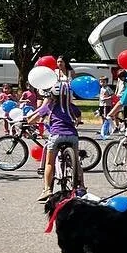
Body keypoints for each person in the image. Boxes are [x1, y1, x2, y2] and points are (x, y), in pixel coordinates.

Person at [31, 73, 84, 201]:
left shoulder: (50, 106)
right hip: (72, 136)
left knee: (49, 163)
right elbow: (78, 118)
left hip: (56, 135)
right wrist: (76, 121)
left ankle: (47, 189)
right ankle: (81, 187)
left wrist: (32, 121)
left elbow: (33, 119)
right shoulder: (72, 107)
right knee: (76, 162)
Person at [98, 70, 117, 138]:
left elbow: (113, 95)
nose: (102, 83)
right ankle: (103, 129)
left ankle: (108, 130)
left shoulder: (107, 88)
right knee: (102, 117)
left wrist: (107, 98)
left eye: (104, 82)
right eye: (101, 82)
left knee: (106, 117)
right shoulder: (101, 88)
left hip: (107, 105)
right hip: (101, 105)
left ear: (106, 82)